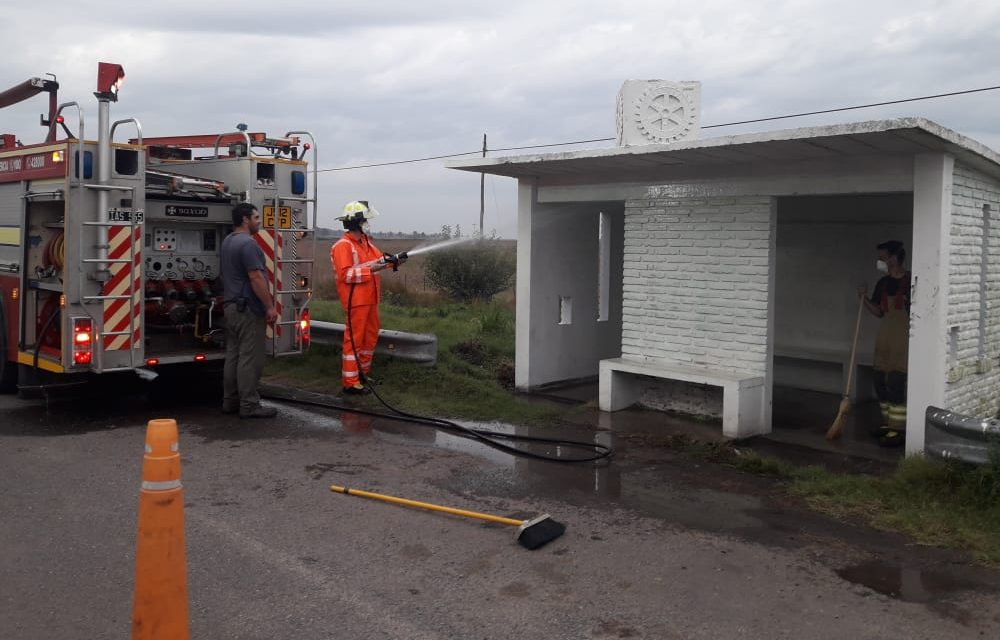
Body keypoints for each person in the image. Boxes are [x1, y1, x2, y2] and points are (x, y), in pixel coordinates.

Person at [330, 200, 405, 394]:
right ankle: (350, 382)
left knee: (369, 338)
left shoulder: (366, 243)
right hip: (355, 301)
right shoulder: (343, 246)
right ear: (357, 222)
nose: (367, 223)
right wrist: (371, 269)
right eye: (365, 220)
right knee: (354, 340)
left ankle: (362, 374)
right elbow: (345, 274)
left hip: (371, 299)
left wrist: (395, 261)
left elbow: (378, 262)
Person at [221, 203, 279, 418]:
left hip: (231, 308)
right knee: (250, 358)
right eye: (256, 217)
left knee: (233, 356)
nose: (259, 221)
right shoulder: (248, 244)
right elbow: (256, 277)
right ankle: (249, 405)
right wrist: (269, 306)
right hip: (247, 310)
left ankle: (230, 401)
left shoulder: (228, 241)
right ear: (245, 219)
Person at [859, 240, 910, 447]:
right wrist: (863, 299)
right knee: (879, 380)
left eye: (882, 258)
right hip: (885, 337)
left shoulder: (910, 282)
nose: (880, 261)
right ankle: (888, 424)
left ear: (894, 258)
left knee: (896, 382)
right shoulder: (883, 283)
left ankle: (898, 430)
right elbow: (879, 312)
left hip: (903, 339)